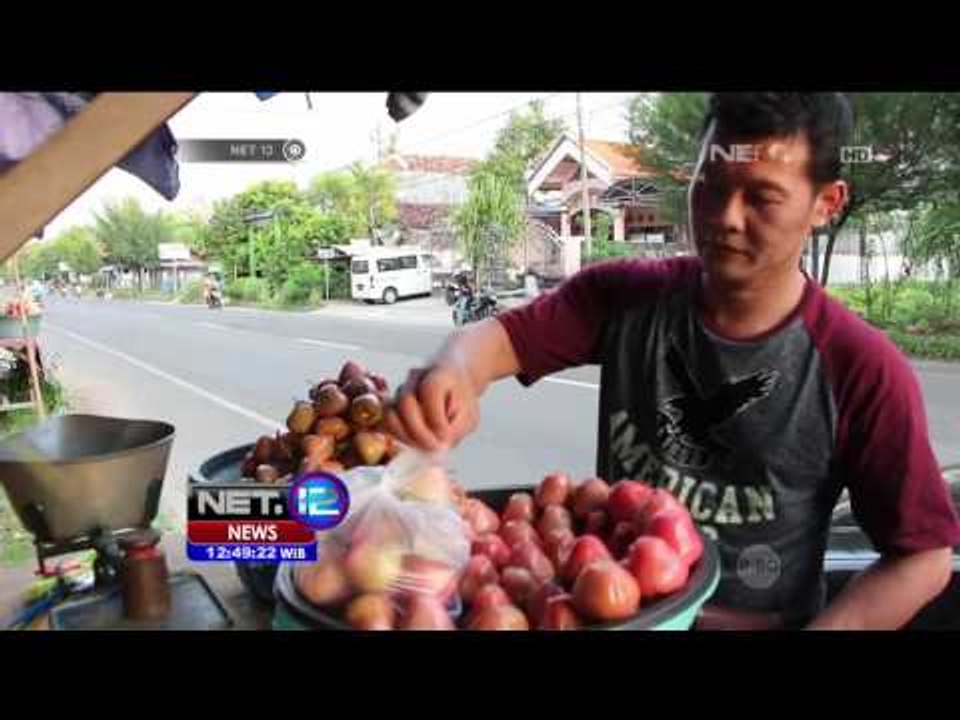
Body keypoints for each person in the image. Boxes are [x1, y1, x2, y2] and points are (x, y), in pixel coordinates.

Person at [386, 93, 960, 630]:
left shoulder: (861, 368)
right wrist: (455, 372)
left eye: (762, 198)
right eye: (709, 187)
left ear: (826, 204)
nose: (724, 217)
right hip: (615, 615)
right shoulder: (624, 298)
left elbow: (924, 557)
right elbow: (494, 340)